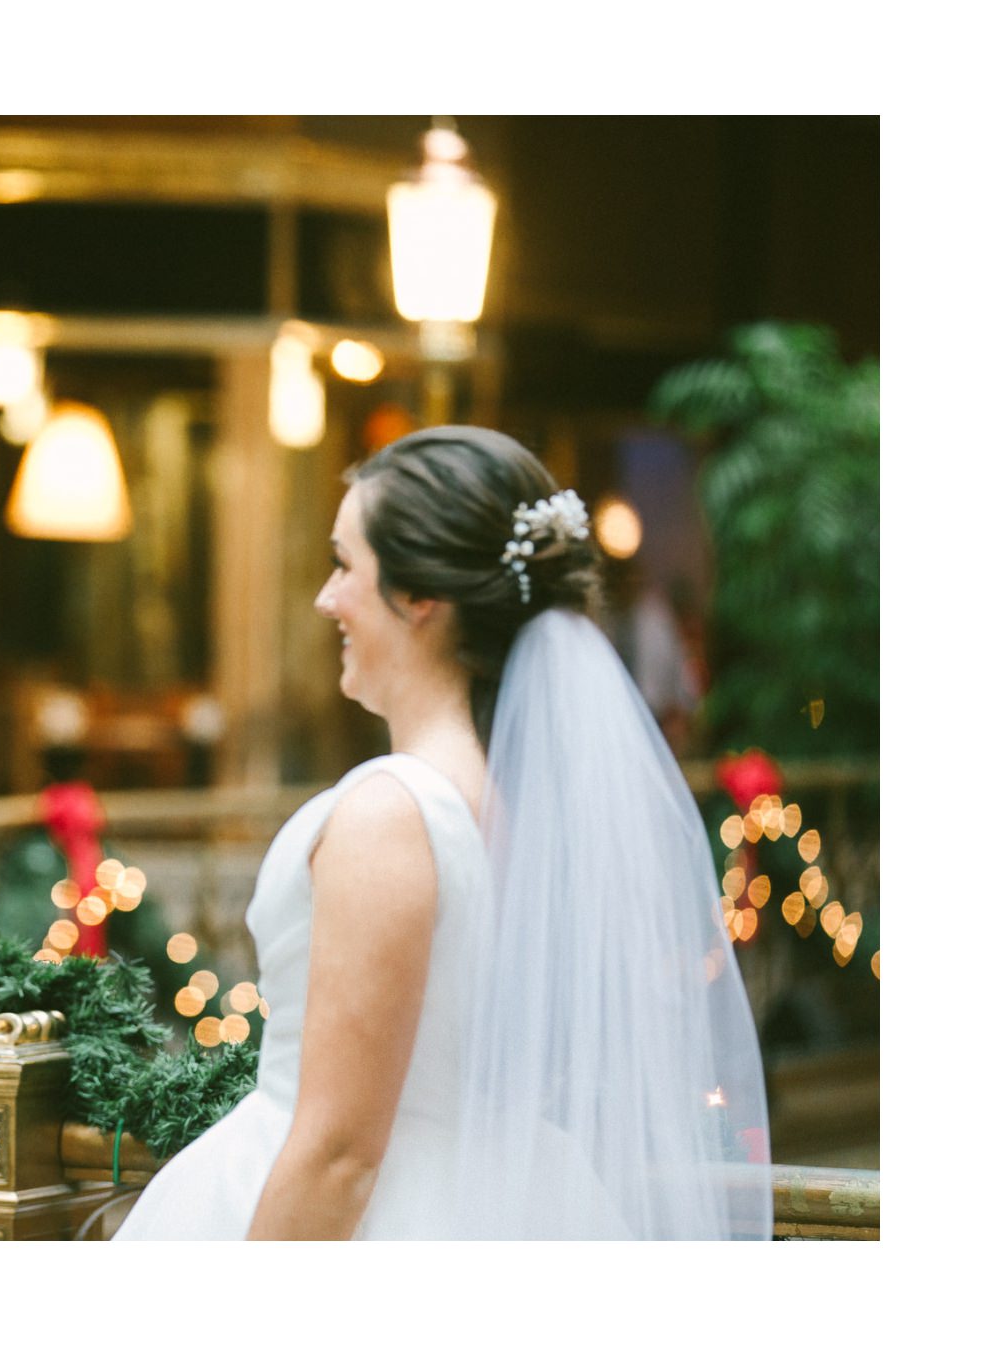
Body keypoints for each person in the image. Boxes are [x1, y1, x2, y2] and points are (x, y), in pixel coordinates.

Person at [115, 427, 770, 1240]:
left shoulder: (394, 814)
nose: (326, 599)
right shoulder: (516, 801)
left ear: (420, 595)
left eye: (345, 565)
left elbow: (342, 1152)